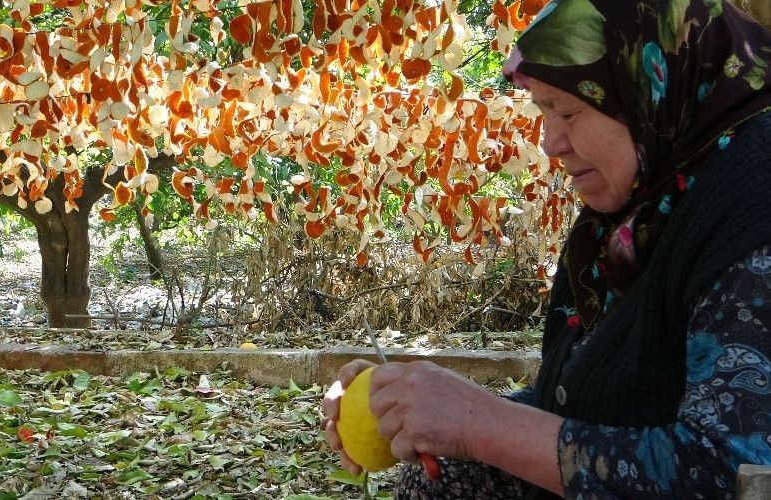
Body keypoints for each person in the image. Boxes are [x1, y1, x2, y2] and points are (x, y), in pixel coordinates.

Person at [321, 0, 771, 498]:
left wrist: (477, 422)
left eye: (569, 111)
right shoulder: (633, 216)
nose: (550, 141)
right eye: (542, 110)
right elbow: (588, 408)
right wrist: (422, 407)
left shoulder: (753, 201)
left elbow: (727, 474)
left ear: (648, 85)